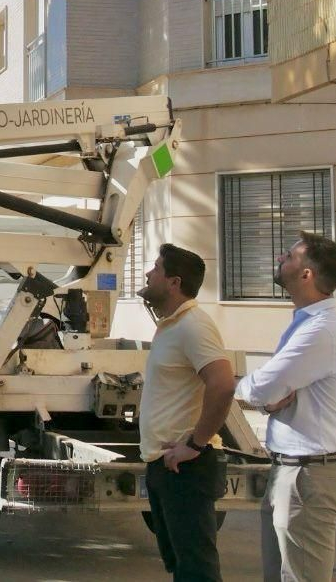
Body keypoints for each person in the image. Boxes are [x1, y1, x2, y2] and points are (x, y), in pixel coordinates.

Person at [234, 232, 336, 582]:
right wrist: (269, 397)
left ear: (307, 275)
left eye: (289, 256)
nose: (279, 258)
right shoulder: (306, 322)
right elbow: (274, 392)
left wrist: (238, 385)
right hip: (291, 470)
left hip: (309, 475)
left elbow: (264, 387)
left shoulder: (321, 330)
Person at [137, 243, 237, 582]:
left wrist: (194, 444)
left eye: (156, 268)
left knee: (197, 570)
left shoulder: (194, 324)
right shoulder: (170, 325)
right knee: (181, 566)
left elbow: (222, 384)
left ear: (173, 282)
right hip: (164, 465)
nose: (148, 274)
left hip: (187, 468)